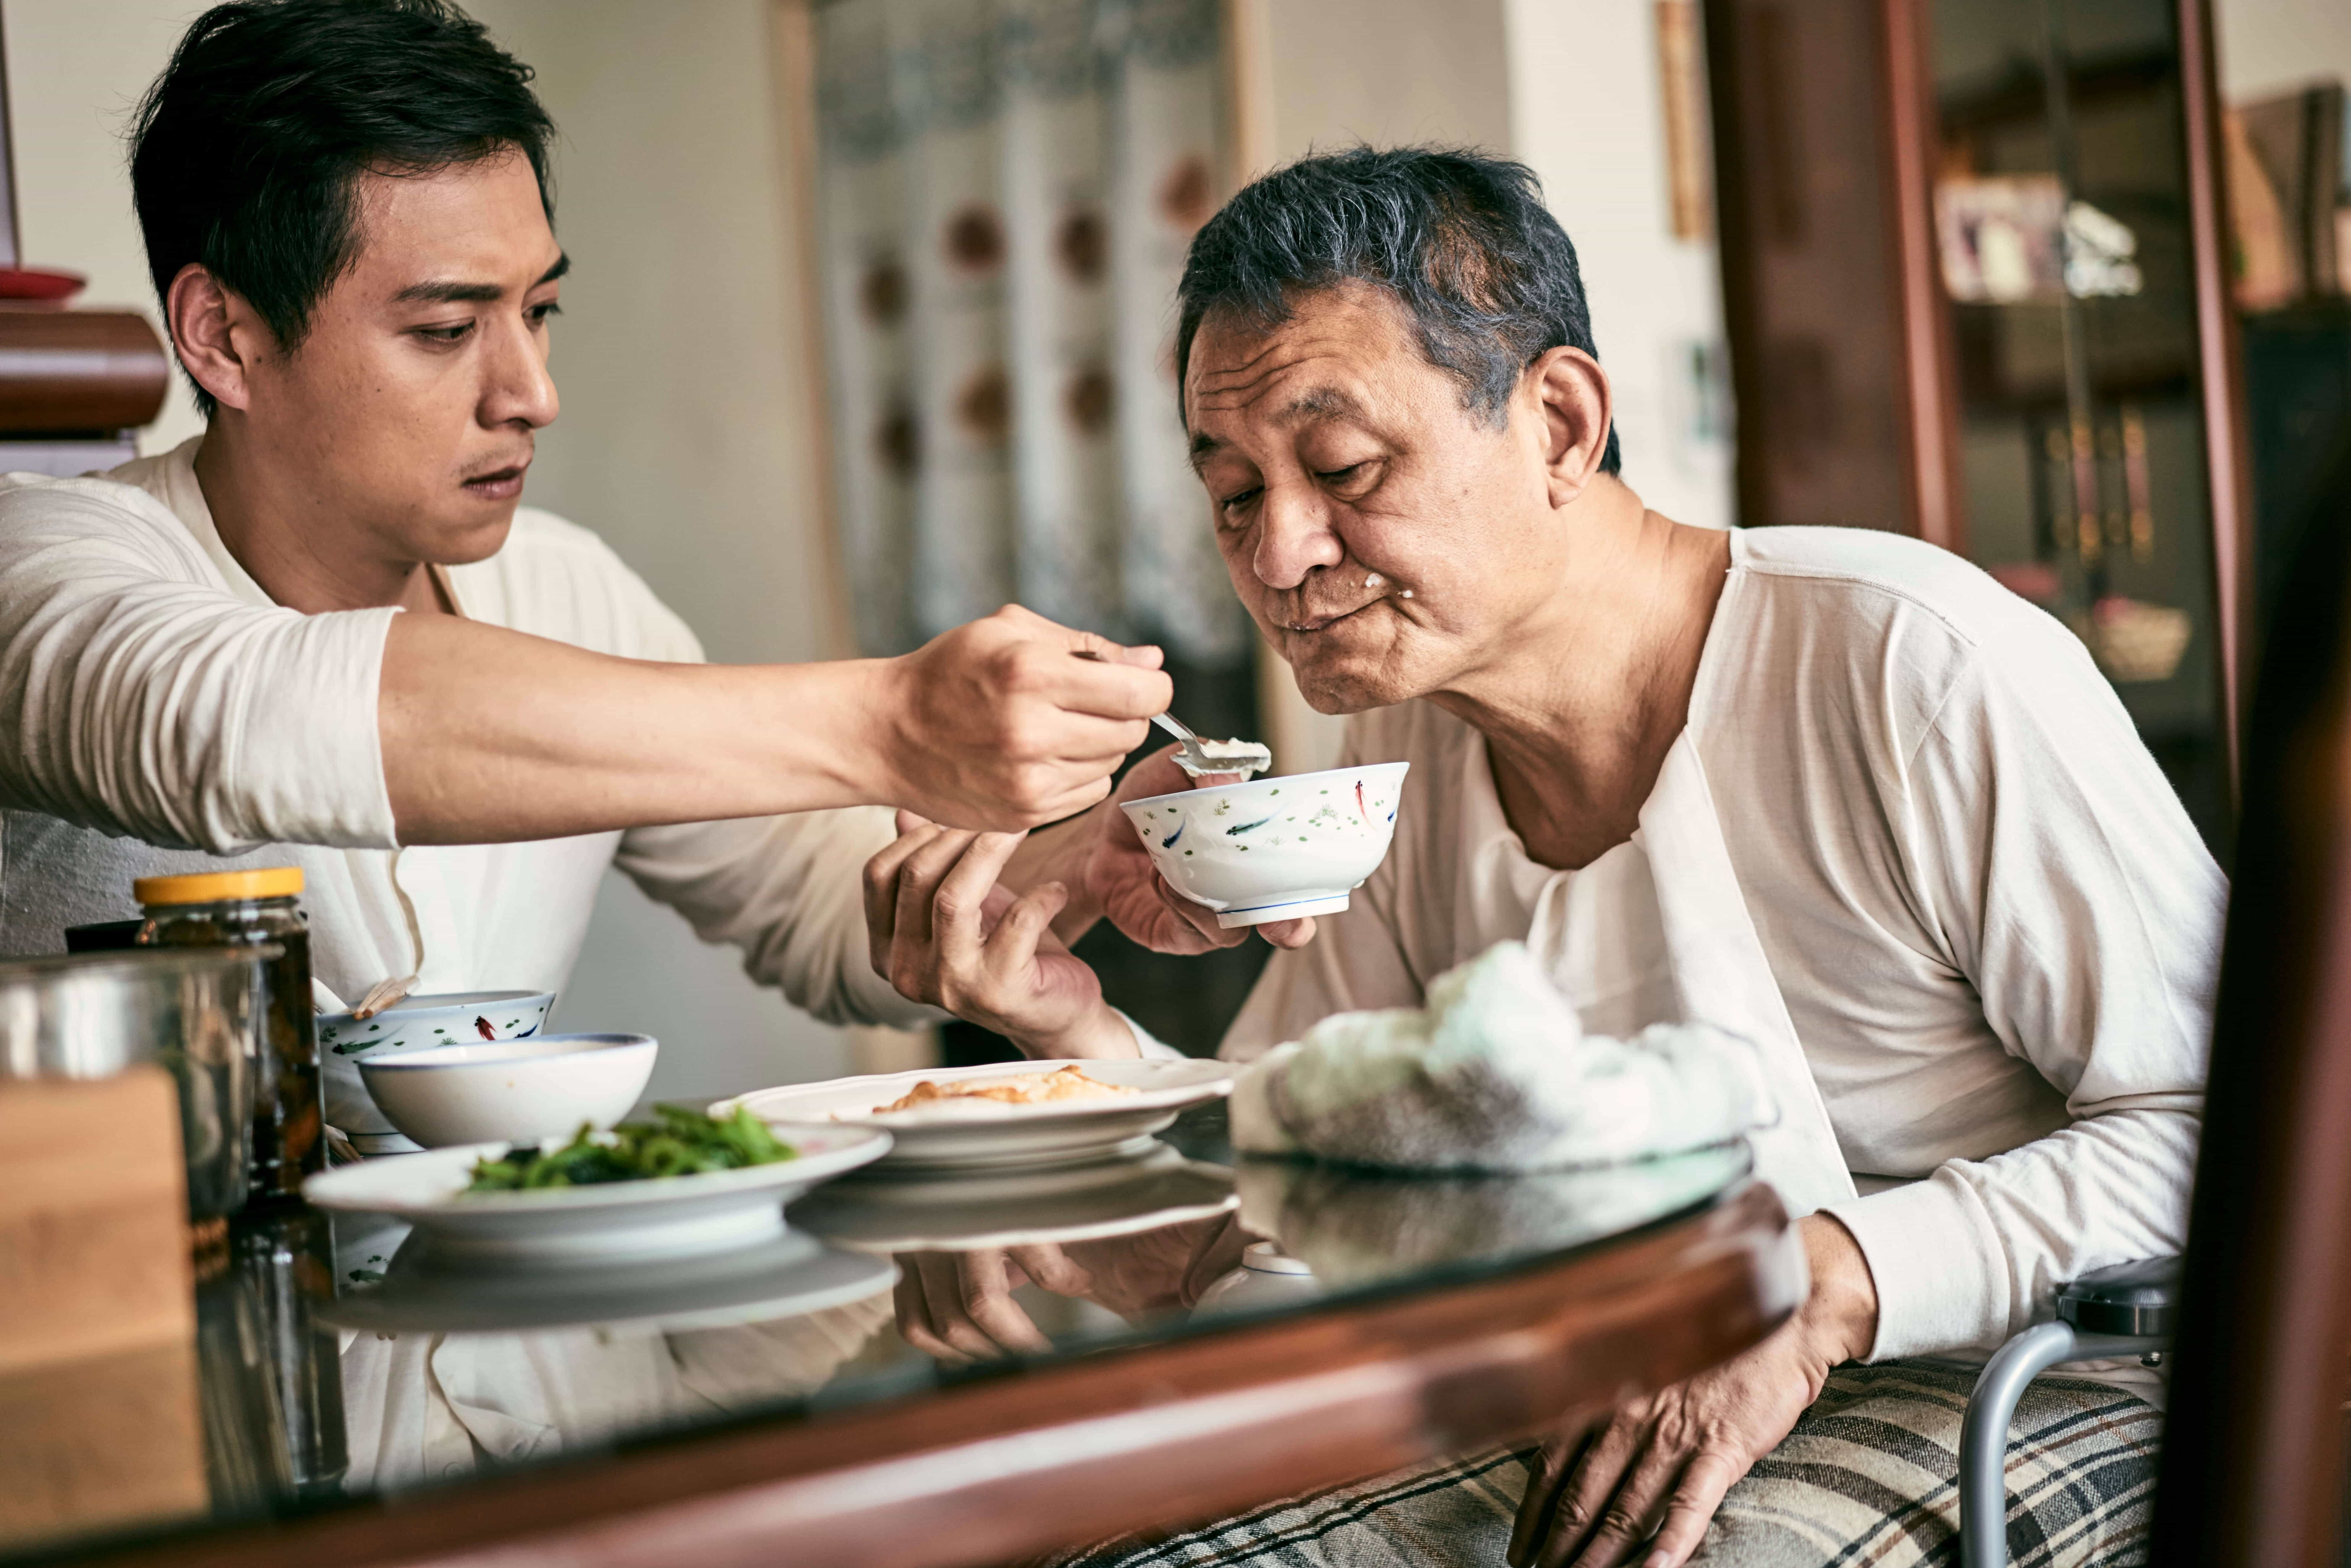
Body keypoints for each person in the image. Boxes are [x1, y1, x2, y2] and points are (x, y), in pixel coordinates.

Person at [864, 147, 2217, 1566]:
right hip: (1612, 1372)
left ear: (1559, 423)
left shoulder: (1904, 661)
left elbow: (2221, 1134)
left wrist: (1818, 1287)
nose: (1274, 557)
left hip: (2037, 1370)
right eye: (1233, 496)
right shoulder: (1403, 767)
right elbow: (1302, 1189)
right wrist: (1065, 1057)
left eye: (1339, 469)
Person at [0, 0, 1183, 1045]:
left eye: (540, 308)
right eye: (445, 330)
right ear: (223, 337)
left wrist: (1080, 860)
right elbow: (255, 721)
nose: (533, 395)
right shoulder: (45, 567)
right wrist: (893, 719)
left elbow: (835, 919)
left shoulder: (570, 591)